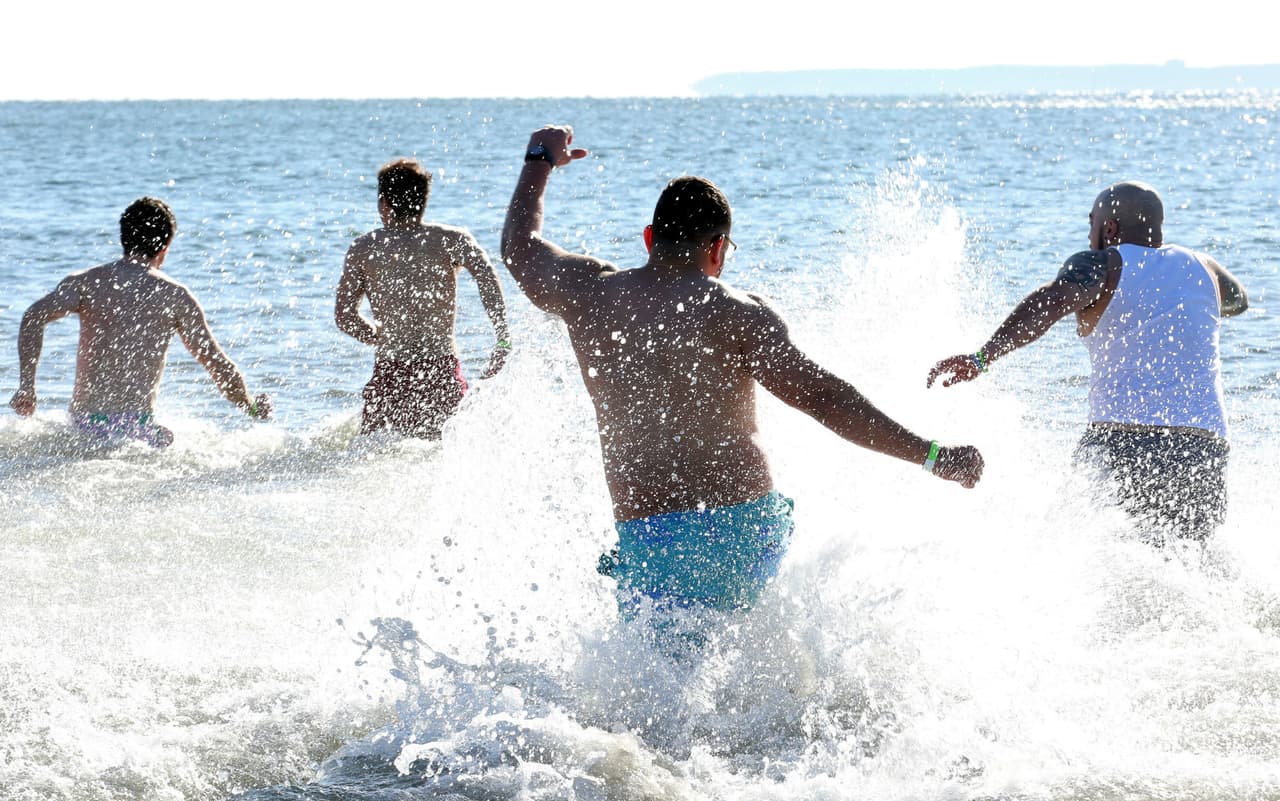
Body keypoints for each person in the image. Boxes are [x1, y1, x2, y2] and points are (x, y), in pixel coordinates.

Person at [501, 125, 984, 624]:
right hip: (744, 534)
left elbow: (520, 247)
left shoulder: (591, 295)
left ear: (650, 239)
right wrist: (932, 456)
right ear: (718, 248)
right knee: (764, 674)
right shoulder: (739, 314)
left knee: (655, 693)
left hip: (652, 543)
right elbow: (826, 400)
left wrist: (540, 159)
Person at [928, 180, 1248, 543]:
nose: (1090, 231)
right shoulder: (1204, 267)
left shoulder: (1101, 264)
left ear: (1109, 228)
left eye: (1092, 222)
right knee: (1191, 555)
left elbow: (1047, 305)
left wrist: (982, 357)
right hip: (1204, 443)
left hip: (1123, 437)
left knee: (1073, 546)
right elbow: (1238, 301)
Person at [8, 197, 272, 447]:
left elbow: (33, 317)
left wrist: (27, 387)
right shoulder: (175, 296)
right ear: (166, 244)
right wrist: (250, 406)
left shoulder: (87, 283)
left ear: (123, 236)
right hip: (138, 431)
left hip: (83, 427)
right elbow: (218, 365)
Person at [336, 158, 510, 439]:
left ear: (383, 203)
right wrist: (502, 336)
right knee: (447, 447)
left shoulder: (364, 248)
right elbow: (487, 279)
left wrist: (379, 335)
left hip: (390, 372)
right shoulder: (451, 240)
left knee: (375, 454)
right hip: (441, 369)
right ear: (424, 200)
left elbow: (344, 316)